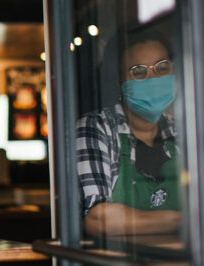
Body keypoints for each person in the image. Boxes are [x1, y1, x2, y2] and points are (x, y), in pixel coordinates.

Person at [77, 34, 181, 236]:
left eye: (161, 68)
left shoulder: (181, 132)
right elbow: (99, 220)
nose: (153, 80)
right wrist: (184, 220)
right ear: (119, 83)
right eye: (139, 72)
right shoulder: (96, 129)